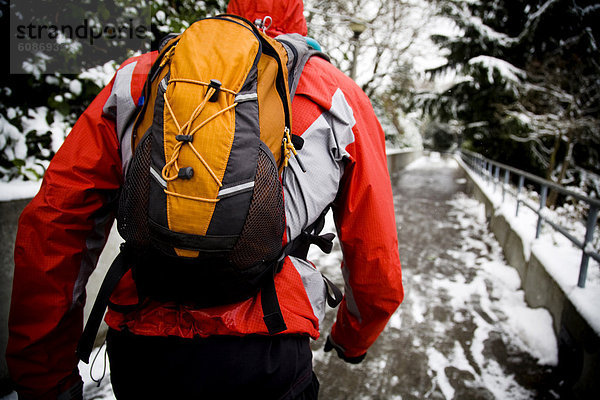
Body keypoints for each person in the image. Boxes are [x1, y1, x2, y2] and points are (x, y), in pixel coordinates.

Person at [6, 0, 404, 398]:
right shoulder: (336, 95)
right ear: (297, 17)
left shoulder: (141, 76)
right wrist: (353, 338)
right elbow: (374, 250)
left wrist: (45, 374)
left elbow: (56, 222)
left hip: (143, 346)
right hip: (267, 345)